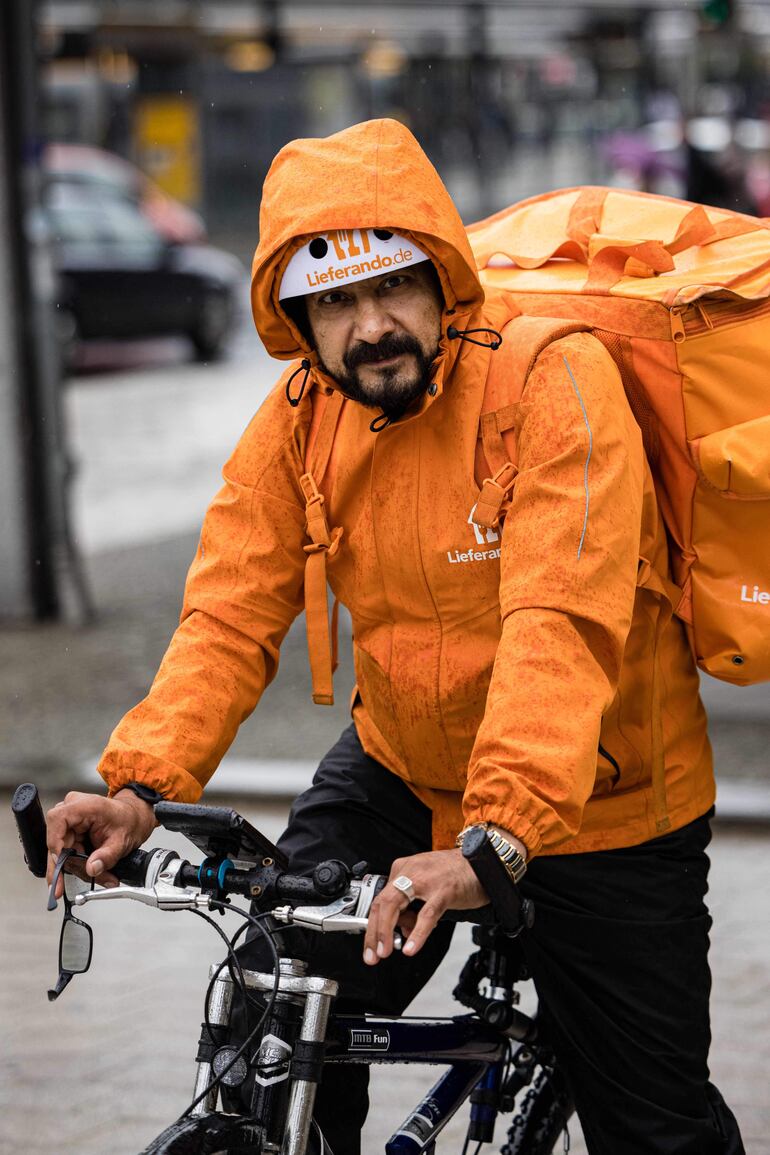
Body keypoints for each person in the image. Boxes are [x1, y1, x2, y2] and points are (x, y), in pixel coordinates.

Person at [46, 118, 744, 1155]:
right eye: (334, 302)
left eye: (392, 289)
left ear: (442, 283)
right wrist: (138, 783)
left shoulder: (552, 381)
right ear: (297, 321)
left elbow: (558, 626)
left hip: (605, 800)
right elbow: (231, 611)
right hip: (404, 771)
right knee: (274, 1019)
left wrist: (495, 838)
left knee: (654, 1125)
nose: (370, 327)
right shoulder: (300, 416)